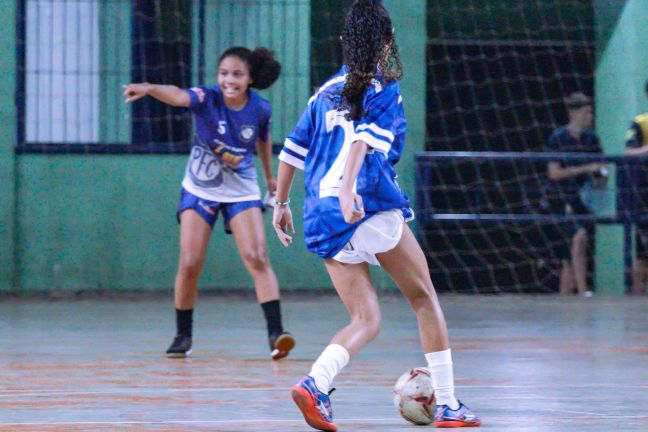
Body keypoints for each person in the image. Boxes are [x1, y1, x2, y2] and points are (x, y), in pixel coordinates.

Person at [272, 1, 480, 430]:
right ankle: (448, 406)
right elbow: (364, 142)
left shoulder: (322, 93)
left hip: (321, 216)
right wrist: (350, 189)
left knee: (365, 318)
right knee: (423, 298)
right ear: (386, 42)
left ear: (346, 43)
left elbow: (292, 149)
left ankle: (315, 384)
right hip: (367, 204)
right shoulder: (384, 87)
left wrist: (280, 203)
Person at [123, 46, 295, 360]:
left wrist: (270, 179)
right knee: (190, 262)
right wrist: (148, 89)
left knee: (256, 256)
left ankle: (276, 334)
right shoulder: (207, 98)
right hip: (200, 188)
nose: (230, 80)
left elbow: (263, 141)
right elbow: (176, 95)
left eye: (237, 74)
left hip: (241, 189)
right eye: (224, 73)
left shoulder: (260, 109)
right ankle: (183, 335)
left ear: (249, 78)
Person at [547, 92, 606, 296]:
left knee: (568, 259)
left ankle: (568, 310)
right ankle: (583, 292)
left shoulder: (592, 138)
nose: (590, 116)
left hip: (584, 199)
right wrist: (583, 168)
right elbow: (553, 172)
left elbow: (601, 167)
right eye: (586, 112)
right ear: (573, 112)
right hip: (561, 198)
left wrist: (600, 178)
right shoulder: (558, 137)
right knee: (579, 238)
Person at [624, 80, 648, 295]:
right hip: (644, 195)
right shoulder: (640, 123)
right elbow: (629, 152)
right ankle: (637, 298)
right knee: (643, 254)